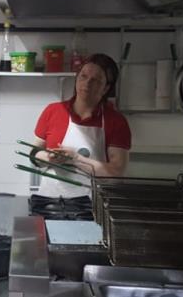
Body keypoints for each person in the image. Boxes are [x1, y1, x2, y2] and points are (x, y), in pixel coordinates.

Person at [32, 53, 132, 202]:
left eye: (96, 80)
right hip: (50, 202)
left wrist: (76, 159)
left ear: (106, 88)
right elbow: (34, 153)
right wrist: (49, 158)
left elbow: (116, 173)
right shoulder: (53, 111)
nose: (87, 83)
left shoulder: (116, 121)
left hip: (92, 205)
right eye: (83, 76)